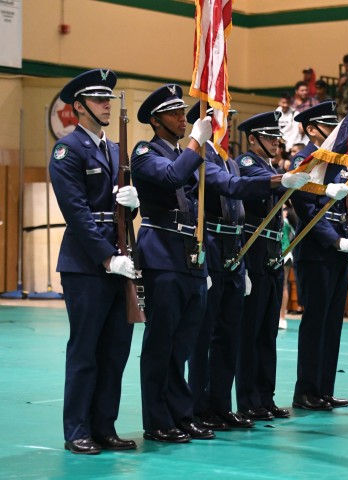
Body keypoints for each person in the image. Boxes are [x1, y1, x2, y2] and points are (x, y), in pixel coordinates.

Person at [49, 69, 138, 455]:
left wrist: (132, 208)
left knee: (115, 349)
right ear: (79, 107)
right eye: (99, 99)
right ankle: (77, 430)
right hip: (86, 265)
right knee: (85, 350)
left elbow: (118, 213)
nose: (107, 104)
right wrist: (106, 258)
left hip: (119, 258)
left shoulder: (117, 150)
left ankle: (104, 426)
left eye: (108, 98)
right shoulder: (67, 151)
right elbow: (78, 214)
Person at [185, 102, 286, 432]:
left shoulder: (226, 158)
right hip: (211, 245)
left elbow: (240, 211)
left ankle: (220, 406)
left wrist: (240, 264)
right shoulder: (201, 156)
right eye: (218, 116)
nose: (224, 121)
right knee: (205, 336)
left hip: (232, 249)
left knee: (228, 334)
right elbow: (231, 188)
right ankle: (198, 409)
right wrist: (279, 181)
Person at [131, 84, 215, 443]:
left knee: (183, 343)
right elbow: (171, 177)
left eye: (184, 113)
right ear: (155, 120)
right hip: (162, 257)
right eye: (175, 113)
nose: (184, 118)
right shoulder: (145, 152)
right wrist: (197, 142)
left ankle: (181, 414)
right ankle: (156, 420)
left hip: (190, 258)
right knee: (160, 343)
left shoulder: (185, 154)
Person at [233, 111, 312, 421]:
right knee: (250, 331)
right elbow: (257, 185)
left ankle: (265, 397)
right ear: (253, 139)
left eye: (276, 137)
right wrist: (285, 180)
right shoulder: (248, 163)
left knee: (267, 331)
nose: (276, 142)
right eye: (268, 137)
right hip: (252, 250)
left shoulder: (272, 167)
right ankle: (247, 400)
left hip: (271, 250)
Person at [290, 101, 348, 411]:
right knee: (315, 321)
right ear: (312, 129)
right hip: (316, 252)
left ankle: (324, 389)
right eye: (327, 126)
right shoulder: (305, 159)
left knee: (333, 322)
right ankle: (306, 390)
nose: (333, 131)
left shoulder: (335, 161)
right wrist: (334, 242)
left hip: (337, 251)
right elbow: (305, 208)